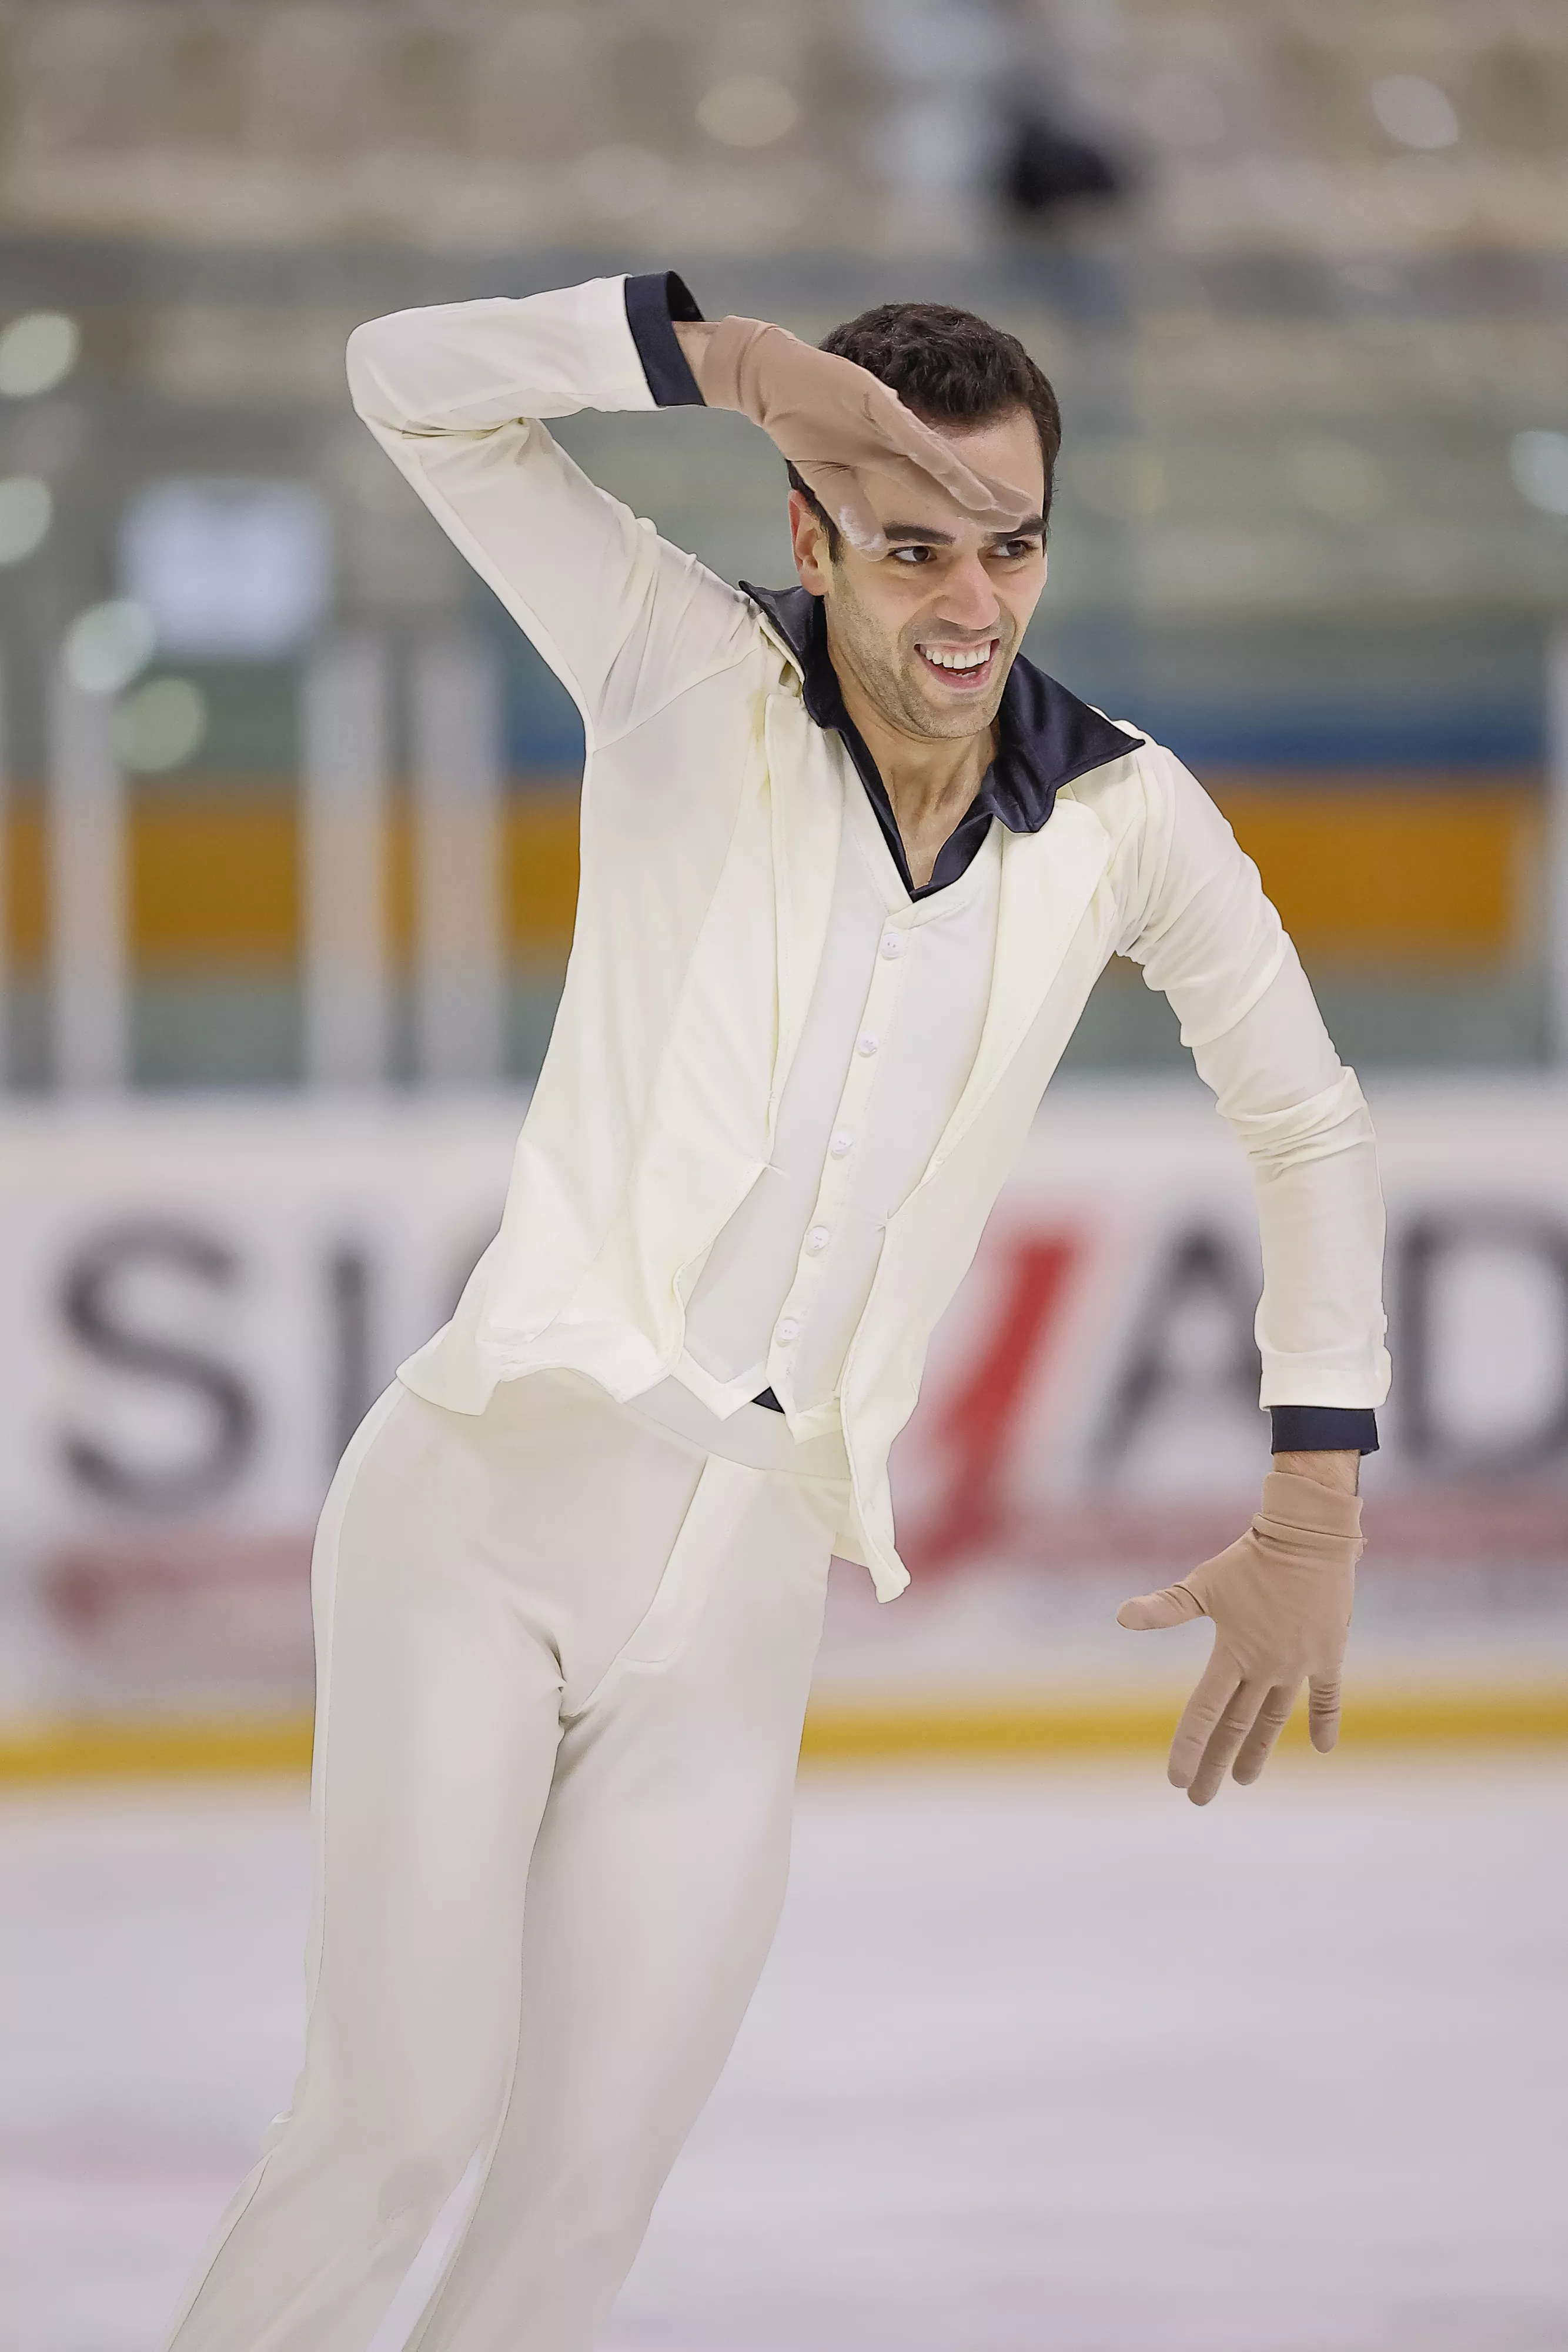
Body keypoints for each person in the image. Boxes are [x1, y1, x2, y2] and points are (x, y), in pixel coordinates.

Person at [161, 272, 1388, 2352]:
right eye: (911, 544)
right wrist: (710, 363)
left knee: (580, 2209)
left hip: (744, 1599)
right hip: (482, 1514)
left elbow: (1311, 1117)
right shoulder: (674, 663)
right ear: (812, 535)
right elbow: (405, 388)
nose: (970, 601)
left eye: (1008, 543)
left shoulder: (1122, 817)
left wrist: (1316, 1505)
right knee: (397, 2126)